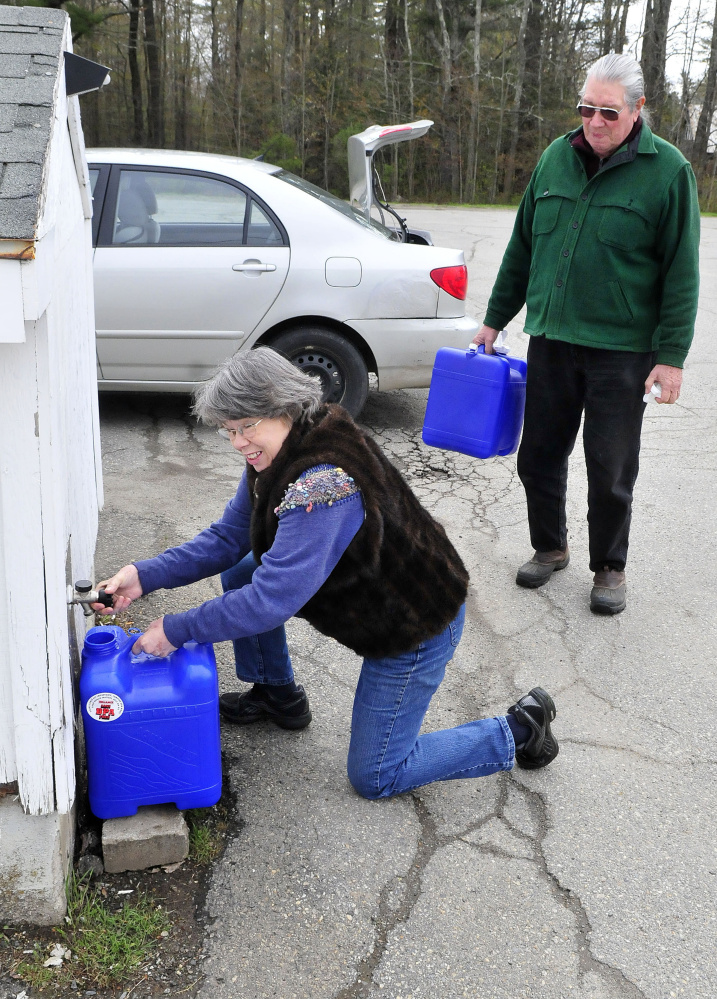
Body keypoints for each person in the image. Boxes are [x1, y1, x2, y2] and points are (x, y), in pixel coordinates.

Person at [94, 347, 559, 800]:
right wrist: (143, 575)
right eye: (228, 431)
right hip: (364, 593)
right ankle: (277, 694)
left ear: (283, 407)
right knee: (242, 567)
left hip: (413, 623)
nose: (238, 443)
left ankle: (518, 730)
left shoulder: (323, 483)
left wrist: (176, 630)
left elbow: (271, 600)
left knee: (376, 775)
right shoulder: (280, 449)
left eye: (246, 427)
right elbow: (228, 538)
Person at [473, 52, 700, 614]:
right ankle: (549, 548)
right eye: (586, 109)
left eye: (608, 112)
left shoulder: (668, 171)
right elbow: (523, 247)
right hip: (552, 337)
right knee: (539, 455)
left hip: (622, 351)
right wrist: (494, 318)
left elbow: (682, 273)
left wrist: (670, 357)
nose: (595, 122)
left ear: (638, 109)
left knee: (610, 464)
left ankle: (610, 567)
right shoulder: (555, 157)